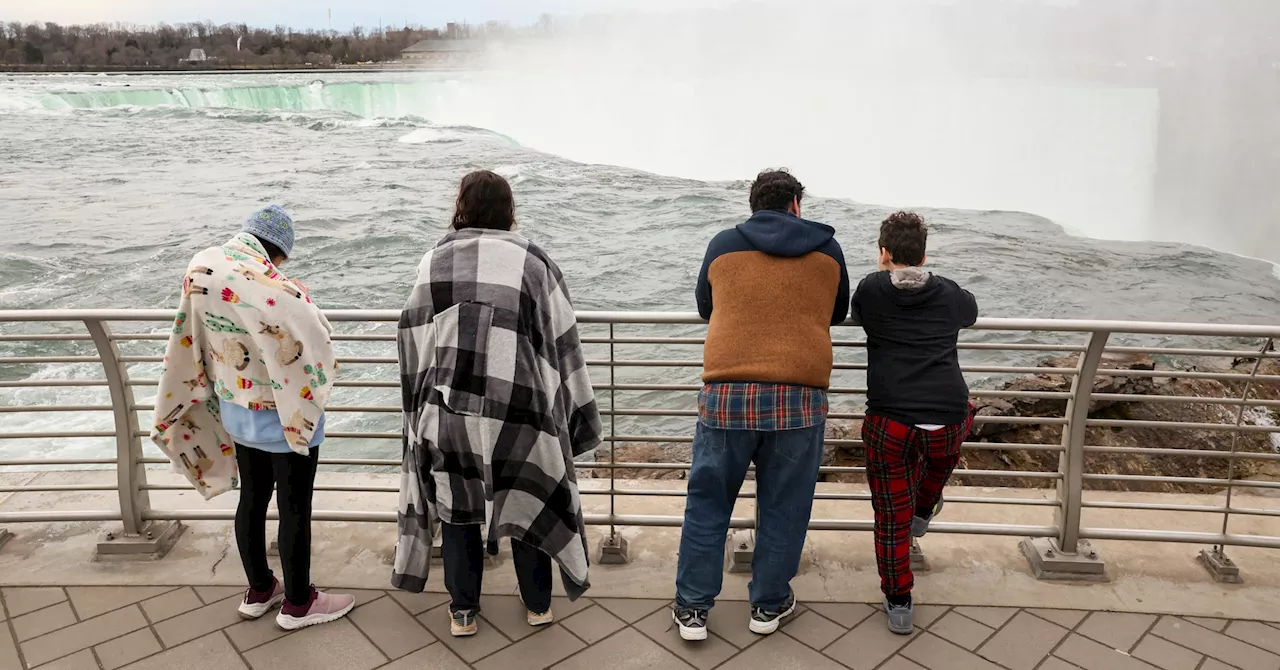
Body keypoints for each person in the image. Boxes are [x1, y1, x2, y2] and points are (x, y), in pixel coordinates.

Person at [393, 170, 602, 638]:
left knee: (457, 506)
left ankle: (464, 609)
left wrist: (418, 414)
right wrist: (577, 416)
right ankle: (538, 605)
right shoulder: (532, 260)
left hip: (448, 411)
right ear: (510, 210)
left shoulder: (434, 261)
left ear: (461, 205)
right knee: (527, 499)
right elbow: (562, 340)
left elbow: (413, 339)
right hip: (520, 410)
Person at [152, 205, 354, 631]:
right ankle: (300, 603)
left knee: (253, 498)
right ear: (277, 252)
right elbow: (312, 333)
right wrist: (299, 292)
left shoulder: (205, 267)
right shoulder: (272, 285)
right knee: (295, 508)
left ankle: (260, 589)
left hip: (235, 409)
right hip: (282, 415)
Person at [673, 169, 850, 641]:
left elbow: (706, 307)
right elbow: (835, 312)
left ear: (753, 206)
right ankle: (768, 607)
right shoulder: (829, 250)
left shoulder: (722, 245)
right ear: (796, 204)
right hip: (798, 399)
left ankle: (692, 609)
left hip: (727, 395)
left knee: (708, 504)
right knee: (785, 506)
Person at [852, 211, 978, 634]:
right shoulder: (949, 293)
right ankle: (924, 508)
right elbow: (971, 312)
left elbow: (862, 312)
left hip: (891, 422)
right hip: (948, 418)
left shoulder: (870, 290)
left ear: (884, 253)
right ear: (924, 255)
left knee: (891, 518)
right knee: (951, 439)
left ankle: (900, 602)